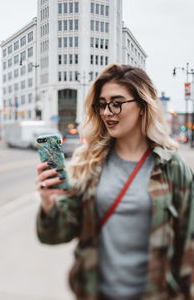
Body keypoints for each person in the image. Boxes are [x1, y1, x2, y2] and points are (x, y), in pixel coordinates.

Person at [35, 64, 194, 300]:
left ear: (141, 105)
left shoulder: (171, 166)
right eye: (102, 104)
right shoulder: (89, 162)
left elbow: (188, 243)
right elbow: (59, 234)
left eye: (117, 102)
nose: (108, 111)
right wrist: (49, 204)